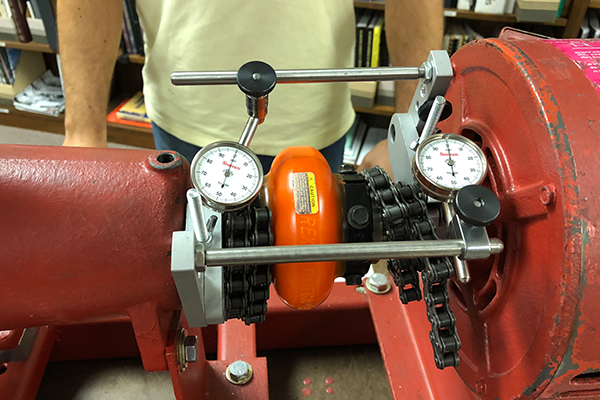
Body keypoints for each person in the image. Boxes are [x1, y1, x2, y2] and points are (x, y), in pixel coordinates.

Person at [58, 0, 442, 175]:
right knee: (196, 282)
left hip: (314, 123)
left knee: (306, 284)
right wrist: (83, 134)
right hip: (186, 122)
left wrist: (412, 134)